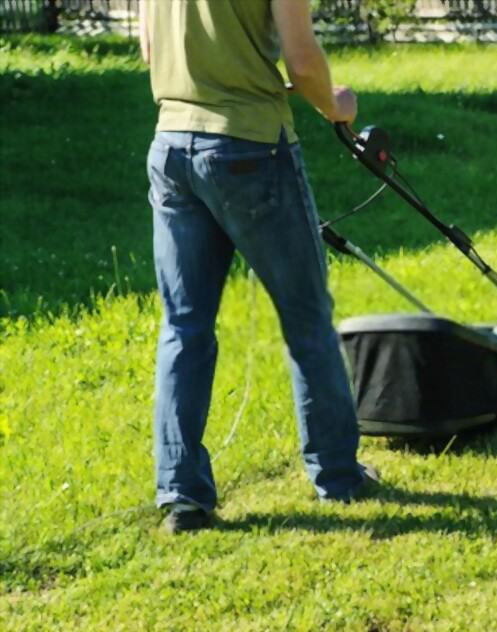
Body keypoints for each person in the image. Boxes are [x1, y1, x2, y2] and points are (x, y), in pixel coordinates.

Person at [139, 0, 378, 534]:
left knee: (184, 325)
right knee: (306, 316)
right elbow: (304, 63)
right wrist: (334, 104)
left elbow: (150, 48)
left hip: (171, 146)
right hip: (249, 148)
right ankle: (338, 475)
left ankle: (182, 496)